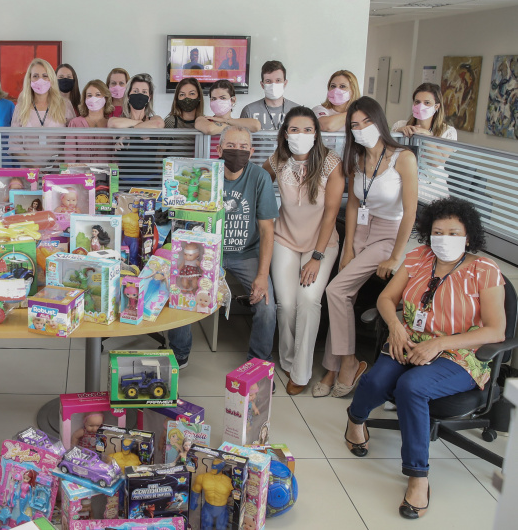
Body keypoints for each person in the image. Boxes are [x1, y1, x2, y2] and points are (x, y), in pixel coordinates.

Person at [344, 197, 505, 520]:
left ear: (468, 235)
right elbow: (386, 298)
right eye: (437, 231)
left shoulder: (484, 270)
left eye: (453, 232)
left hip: (459, 355)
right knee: (376, 380)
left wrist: (442, 343)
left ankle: (418, 477)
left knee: (412, 387)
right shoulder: (418, 257)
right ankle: (355, 420)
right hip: (410, 340)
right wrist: (395, 326)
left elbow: (496, 330)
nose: (444, 239)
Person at [315, 96, 419, 398]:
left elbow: (410, 213)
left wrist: (397, 255)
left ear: (380, 122)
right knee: (343, 296)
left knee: (335, 290)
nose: (361, 129)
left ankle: (346, 363)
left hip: (389, 233)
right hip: (360, 228)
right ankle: (333, 368)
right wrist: (348, 247)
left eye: (367, 122)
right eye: (355, 125)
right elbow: (353, 206)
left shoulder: (403, 157)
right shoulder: (357, 157)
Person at [167, 126, 278, 367]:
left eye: (243, 147)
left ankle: (259, 364)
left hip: (246, 254)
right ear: (218, 149)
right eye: (230, 146)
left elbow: (267, 229)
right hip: (205, 250)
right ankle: (179, 353)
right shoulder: (205, 174)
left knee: (267, 306)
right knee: (178, 288)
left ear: (252, 151)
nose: (236, 152)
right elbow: (185, 214)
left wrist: (262, 275)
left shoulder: (259, 178)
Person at [263, 107, 344, 395]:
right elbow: (259, 185)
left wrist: (317, 258)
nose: (301, 135)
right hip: (285, 238)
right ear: (285, 133)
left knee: (308, 301)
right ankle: (287, 359)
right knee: (285, 305)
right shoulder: (277, 160)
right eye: (294, 130)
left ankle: (302, 370)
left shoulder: (332, 164)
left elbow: (331, 214)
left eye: (308, 130)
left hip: (321, 245)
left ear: (316, 134)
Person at [392, 82, 459, 205]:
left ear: (437, 107)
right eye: (417, 102)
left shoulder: (448, 132)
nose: (420, 106)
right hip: (402, 188)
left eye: (427, 103)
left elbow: (436, 162)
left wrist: (427, 136)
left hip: (432, 193)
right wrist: (398, 133)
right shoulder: (400, 125)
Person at [195, 80, 261, 158]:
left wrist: (224, 120)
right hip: (208, 168)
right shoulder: (204, 119)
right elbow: (209, 129)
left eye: (222, 98)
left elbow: (256, 125)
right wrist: (233, 127)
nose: (217, 101)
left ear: (233, 100)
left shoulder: (236, 123)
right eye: (213, 99)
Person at [11, 58, 75, 128]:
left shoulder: (64, 105)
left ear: (51, 79)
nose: (40, 80)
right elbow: (14, 137)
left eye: (45, 76)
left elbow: (73, 136)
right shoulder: (21, 107)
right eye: (35, 76)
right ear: (29, 79)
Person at [240, 61, 301, 131]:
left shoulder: (298, 111)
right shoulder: (249, 111)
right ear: (262, 85)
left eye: (278, 80)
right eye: (268, 81)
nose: (273, 85)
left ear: (285, 83)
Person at [65, 79, 114, 160]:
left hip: (106, 172)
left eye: (98, 94)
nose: (93, 99)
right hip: (80, 172)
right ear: (85, 99)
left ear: (106, 98)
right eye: (89, 95)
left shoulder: (112, 124)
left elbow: (115, 155)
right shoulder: (75, 123)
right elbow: (69, 155)